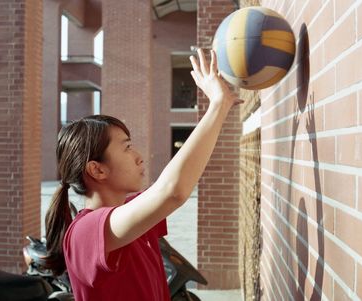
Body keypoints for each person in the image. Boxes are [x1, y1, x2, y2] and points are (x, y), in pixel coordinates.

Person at [44, 49, 242, 301]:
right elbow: (172, 191)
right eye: (126, 147)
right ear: (97, 169)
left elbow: (176, 182)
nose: (138, 156)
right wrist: (218, 105)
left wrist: (220, 107)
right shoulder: (85, 232)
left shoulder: (131, 210)